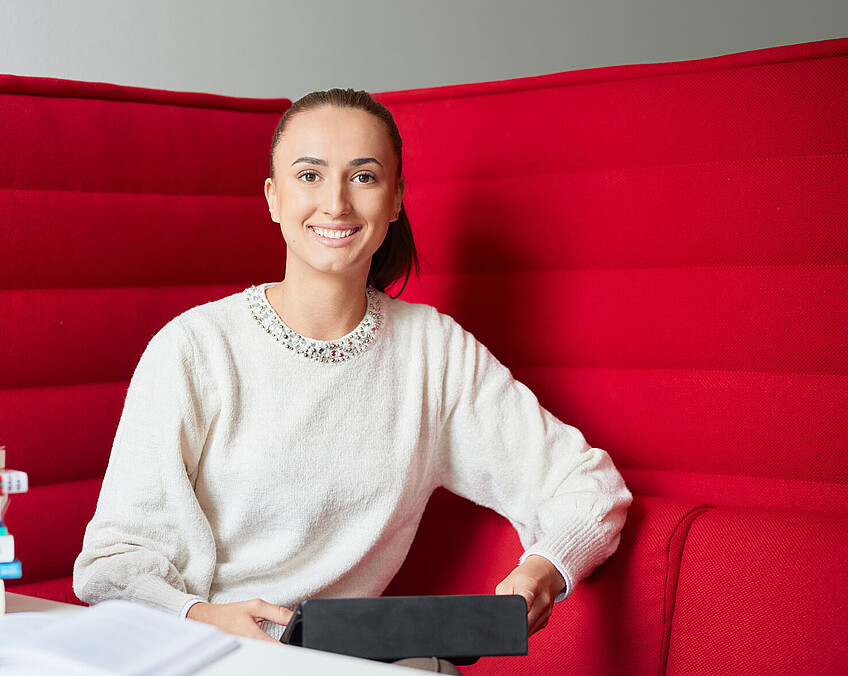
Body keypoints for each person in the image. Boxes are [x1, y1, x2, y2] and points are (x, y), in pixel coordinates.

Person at [73, 88, 632, 672]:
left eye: (363, 177)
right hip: (195, 652)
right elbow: (112, 565)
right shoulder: (195, 348)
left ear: (395, 200)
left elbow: (588, 486)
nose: (335, 203)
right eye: (309, 174)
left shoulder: (432, 352)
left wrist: (541, 572)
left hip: (340, 662)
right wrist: (202, 616)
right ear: (273, 197)